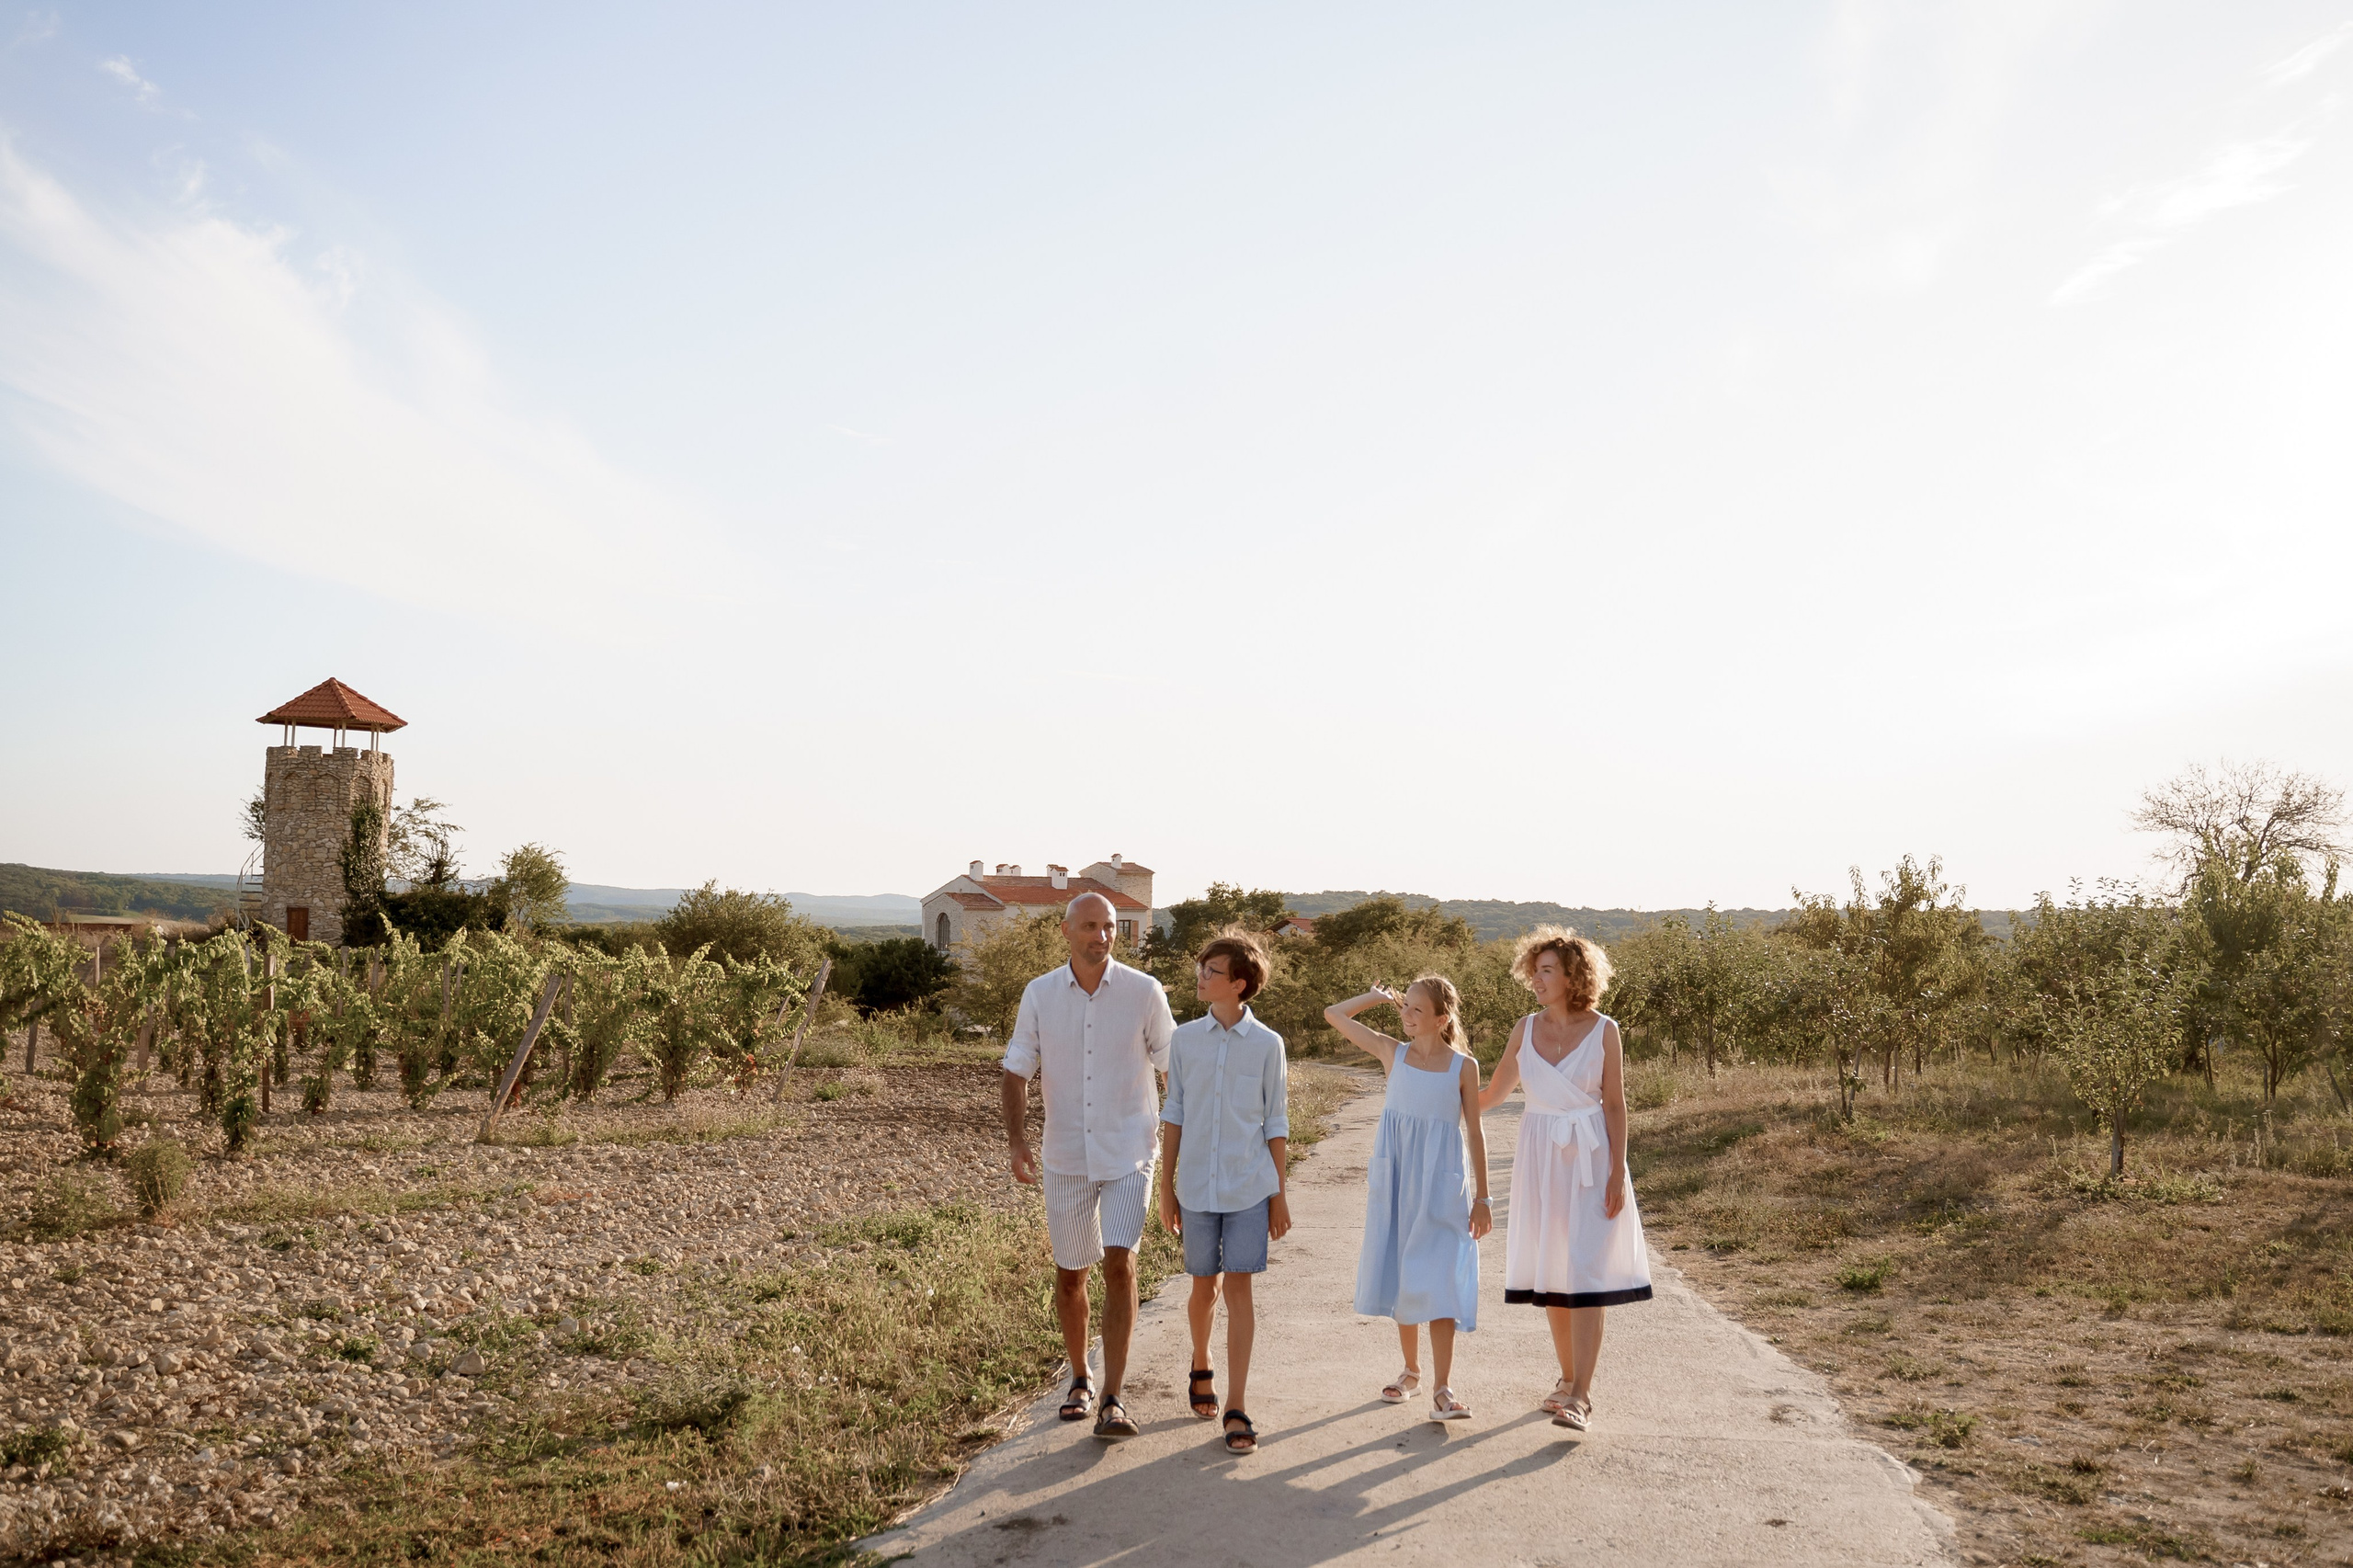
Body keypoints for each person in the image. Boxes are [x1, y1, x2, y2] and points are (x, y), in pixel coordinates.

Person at [1002, 891, 1176, 1441]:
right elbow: (1016, 1070)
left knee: (1120, 1263)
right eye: (1091, 926)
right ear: (1066, 930)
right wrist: (1017, 1141)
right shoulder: (1040, 993)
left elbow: (1174, 1067)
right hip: (1066, 1155)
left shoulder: (1145, 991)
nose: (1102, 936)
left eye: (1109, 927)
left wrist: (1184, 1141)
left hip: (1130, 1150)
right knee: (1071, 1273)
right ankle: (1080, 1377)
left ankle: (1113, 1398)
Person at [1477, 926, 1651, 1432]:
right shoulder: (1524, 1029)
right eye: (1534, 970)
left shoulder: (1604, 1030)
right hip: (1540, 1159)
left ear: (1574, 976)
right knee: (1553, 1271)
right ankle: (1568, 1377)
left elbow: (1615, 1104)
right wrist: (1436, 1086)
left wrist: (1616, 1172)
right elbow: (1491, 1096)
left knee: (1586, 1270)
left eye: (1547, 971)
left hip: (1592, 1159)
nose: (1536, 979)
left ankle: (1581, 1396)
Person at [1324, 974, 1490, 1422]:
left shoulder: (1463, 1067)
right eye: (1405, 1006)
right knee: (1403, 1269)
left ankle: (1443, 1388)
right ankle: (1411, 1371)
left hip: (1444, 1183)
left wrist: (1484, 1198)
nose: (1407, 1015)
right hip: (1397, 1178)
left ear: (1442, 1018)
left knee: (1440, 1275)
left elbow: (1475, 1132)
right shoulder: (1391, 1052)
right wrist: (1373, 998)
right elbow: (1334, 1015)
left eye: (1418, 1009)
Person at [1157, 929, 1291, 1456]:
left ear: (1239, 983)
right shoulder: (1185, 1040)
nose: (1200, 977)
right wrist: (1166, 1189)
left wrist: (1279, 1195)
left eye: (1211, 971)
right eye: (1201, 968)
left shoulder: (1268, 1045)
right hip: (1194, 1187)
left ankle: (1236, 1405)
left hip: (1249, 1188)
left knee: (1239, 1291)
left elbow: (1275, 1122)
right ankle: (1201, 1360)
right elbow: (1174, 1114)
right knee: (1202, 1288)